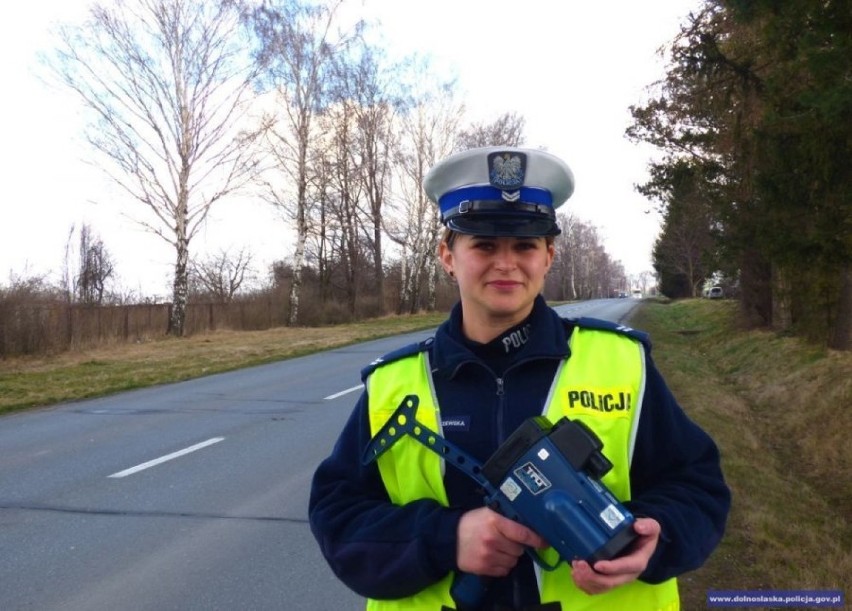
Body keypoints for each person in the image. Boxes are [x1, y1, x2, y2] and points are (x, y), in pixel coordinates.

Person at [309, 146, 730, 610]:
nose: (506, 263)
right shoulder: (394, 384)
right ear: (448, 255)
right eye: (484, 245)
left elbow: (697, 485)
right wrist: (446, 538)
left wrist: (657, 536)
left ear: (548, 255)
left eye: (525, 245)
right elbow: (338, 515)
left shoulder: (623, 362)